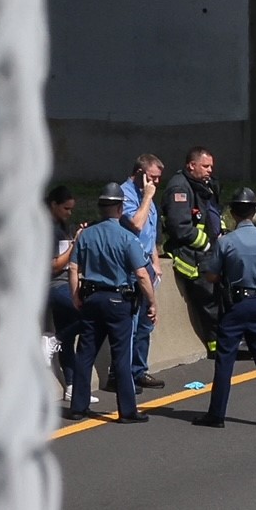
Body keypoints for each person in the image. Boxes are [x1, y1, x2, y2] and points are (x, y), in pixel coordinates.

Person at [195, 187, 256, 428]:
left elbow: (212, 276)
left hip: (234, 304)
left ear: (233, 214)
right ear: (254, 212)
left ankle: (217, 414)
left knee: (225, 360)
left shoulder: (226, 242)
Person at [66, 183, 152, 423]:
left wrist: (75, 296)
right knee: (121, 356)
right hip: (118, 300)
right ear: (120, 208)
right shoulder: (127, 237)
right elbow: (143, 274)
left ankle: (78, 408)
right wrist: (152, 303)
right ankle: (127, 411)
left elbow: (74, 268)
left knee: (85, 353)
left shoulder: (86, 235)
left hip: (91, 298)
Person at [160, 145, 225, 359]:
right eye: (205, 166)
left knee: (223, 294)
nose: (209, 170)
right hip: (192, 257)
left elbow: (213, 214)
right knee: (208, 299)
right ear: (191, 165)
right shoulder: (179, 188)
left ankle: (228, 339)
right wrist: (206, 243)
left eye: (211, 167)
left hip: (210, 251)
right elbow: (180, 228)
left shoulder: (205, 186)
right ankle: (217, 347)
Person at [113, 153, 165, 393]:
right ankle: (121, 375)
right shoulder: (125, 195)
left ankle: (139, 370)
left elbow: (150, 235)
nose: (156, 182)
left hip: (147, 266)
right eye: (153, 177)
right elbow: (136, 225)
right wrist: (147, 197)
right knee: (130, 325)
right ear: (140, 174)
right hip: (130, 270)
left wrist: (156, 262)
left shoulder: (149, 195)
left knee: (146, 323)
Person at [45, 185, 84, 393]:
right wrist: (74, 245)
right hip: (53, 286)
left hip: (67, 282)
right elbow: (54, 266)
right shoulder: (46, 229)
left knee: (68, 334)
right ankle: (54, 341)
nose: (69, 213)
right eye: (66, 208)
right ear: (53, 205)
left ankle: (72, 386)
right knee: (89, 316)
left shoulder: (62, 226)